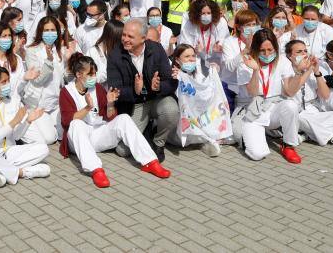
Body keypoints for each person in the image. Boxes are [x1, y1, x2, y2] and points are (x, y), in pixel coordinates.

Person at [60, 54, 168, 188]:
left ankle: (150, 162)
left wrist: (110, 103)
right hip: (78, 140)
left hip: (96, 134)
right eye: (89, 74)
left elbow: (109, 117)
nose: (93, 78)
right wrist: (88, 107)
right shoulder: (67, 92)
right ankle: (96, 170)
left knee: (124, 119)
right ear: (78, 74)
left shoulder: (98, 88)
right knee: (76, 124)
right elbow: (66, 121)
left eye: (94, 74)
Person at [106, 18, 179, 163]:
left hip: (157, 98)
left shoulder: (156, 49)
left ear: (143, 39)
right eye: (124, 35)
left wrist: (158, 87)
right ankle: (146, 131)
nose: (125, 39)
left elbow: (172, 82)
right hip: (136, 103)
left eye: (130, 37)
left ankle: (159, 143)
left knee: (171, 110)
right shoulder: (115, 55)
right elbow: (115, 89)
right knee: (122, 151)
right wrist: (135, 90)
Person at [0, 66, 51, 187]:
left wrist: (27, 121)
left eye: (8, 80)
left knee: (43, 148)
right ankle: (24, 172)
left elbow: (17, 136)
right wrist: (14, 121)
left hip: (9, 151)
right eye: (3, 82)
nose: (8, 84)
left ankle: (1, 172)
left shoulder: (11, 102)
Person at [237, 29, 302, 163]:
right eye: (262, 51)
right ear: (255, 49)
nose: (267, 54)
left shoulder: (282, 60)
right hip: (252, 110)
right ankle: (247, 136)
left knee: (291, 105)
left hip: (273, 107)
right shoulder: (246, 63)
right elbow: (253, 93)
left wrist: (299, 72)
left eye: (270, 50)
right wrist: (255, 70)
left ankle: (289, 145)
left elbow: (290, 92)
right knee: (257, 154)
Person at [283, 40, 333, 148]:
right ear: (289, 56)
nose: (304, 54)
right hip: (297, 113)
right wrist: (307, 71)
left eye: (305, 51)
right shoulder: (285, 70)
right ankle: (332, 137)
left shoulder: (315, 69)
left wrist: (317, 72)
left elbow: (326, 95)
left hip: (313, 111)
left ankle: (308, 135)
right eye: (299, 52)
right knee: (301, 118)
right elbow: (291, 92)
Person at [171, 45, 230, 157]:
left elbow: (204, 91)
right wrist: (177, 79)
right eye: (187, 56)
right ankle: (207, 141)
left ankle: (207, 141)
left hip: (197, 116)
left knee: (207, 125)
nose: (191, 59)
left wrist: (213, 73)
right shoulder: (174, 75)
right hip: (180, 120)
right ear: (178, 60)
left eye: (193, 56)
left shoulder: (197, 74)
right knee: (190, 133)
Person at [20, 17, 70, 145]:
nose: (49, 33)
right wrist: (48, 61)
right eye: (46, 30)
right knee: (49, 138)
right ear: (40, 32)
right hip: (39, 104)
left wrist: (70, 64)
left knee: (65, 135)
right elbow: (37, 80)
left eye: (53, 30)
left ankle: (48, 123)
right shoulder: (32, 51)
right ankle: (27, 126)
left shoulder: (60, 49)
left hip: (56, 103)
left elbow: (64, 78)